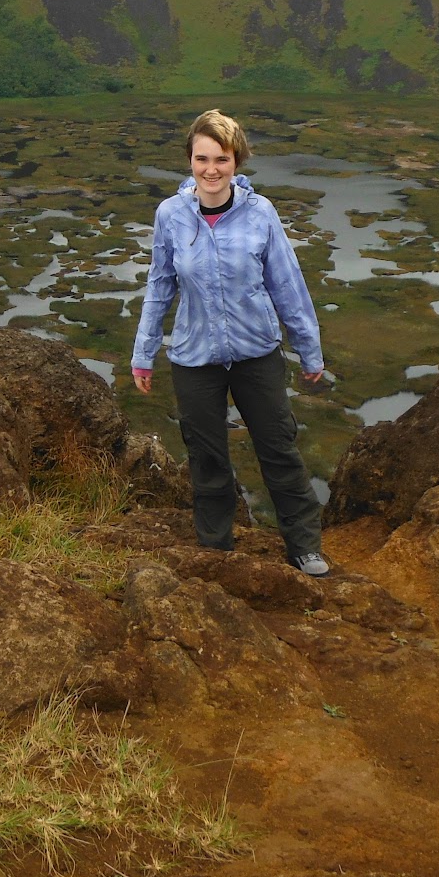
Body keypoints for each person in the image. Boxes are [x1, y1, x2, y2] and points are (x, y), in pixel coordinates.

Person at [131, 108, 331, 576]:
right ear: (189, 161)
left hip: (256, 352)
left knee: (278, 449)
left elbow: (287, 284)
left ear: (236, 161)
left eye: (221, 158)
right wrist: (144, 355)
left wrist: (309, 349)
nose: (211, 169)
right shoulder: (171, 216)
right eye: (202, 159)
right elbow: (160, 285)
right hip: (194, 357)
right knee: (207, 457)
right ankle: (215, 549)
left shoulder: (260, 213)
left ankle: (304, 545)